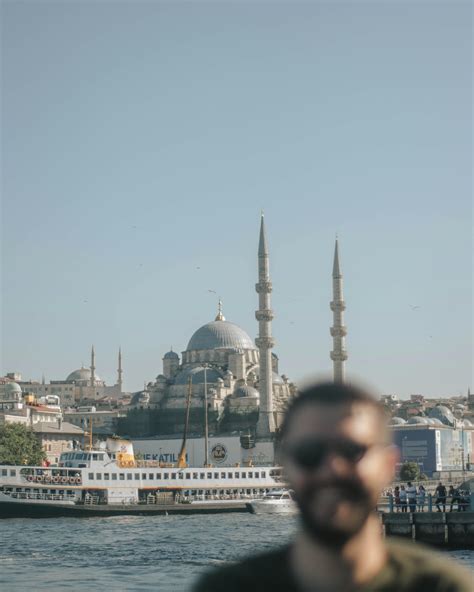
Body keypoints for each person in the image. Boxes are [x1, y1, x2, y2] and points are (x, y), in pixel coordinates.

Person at [193, 381, 471, 592]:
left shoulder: (442, 586)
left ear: (387, 466)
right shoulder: (228, 587)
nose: (332, 469)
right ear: (285, 468)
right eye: (311, 453)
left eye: (351, 451)